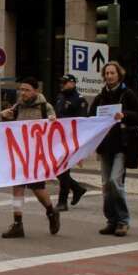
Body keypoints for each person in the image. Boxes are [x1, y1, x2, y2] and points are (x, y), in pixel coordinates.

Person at [0, 77, 62, 238]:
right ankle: (17, 223)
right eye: (21, 89)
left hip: (37, 156)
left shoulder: (45, 107)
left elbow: (56, 127)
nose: (23, 93)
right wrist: (4, 116)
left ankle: (51, 211)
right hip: (20, 154)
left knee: (37, 188)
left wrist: (53, 121)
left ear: (36, 91)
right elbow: (10, 127)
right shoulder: (17, 106)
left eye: (27, 90)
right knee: (17, 187)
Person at [89, 61, 138, 237]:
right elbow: (90, 118)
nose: (109, 76)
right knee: (106, 185)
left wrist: (125, 115)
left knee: (115, 182)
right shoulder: (100, 97)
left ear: (119, 75)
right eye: (106, 73)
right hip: (105, 147)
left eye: (112, 73)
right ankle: (111, 220)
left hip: (122, 146)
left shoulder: (127, 94)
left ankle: (123, 220)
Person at [54, 74, 89, 211]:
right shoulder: (60, 97)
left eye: (65, 82)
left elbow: (82, 122)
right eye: (61, 82)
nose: (62, 85)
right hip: (59, 138)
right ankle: (77, 188)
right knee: (56, 168)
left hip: (71, 139)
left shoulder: (79, 100)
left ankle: (62, 202)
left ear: (73, 83)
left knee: (63, 168)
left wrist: (80, 146)